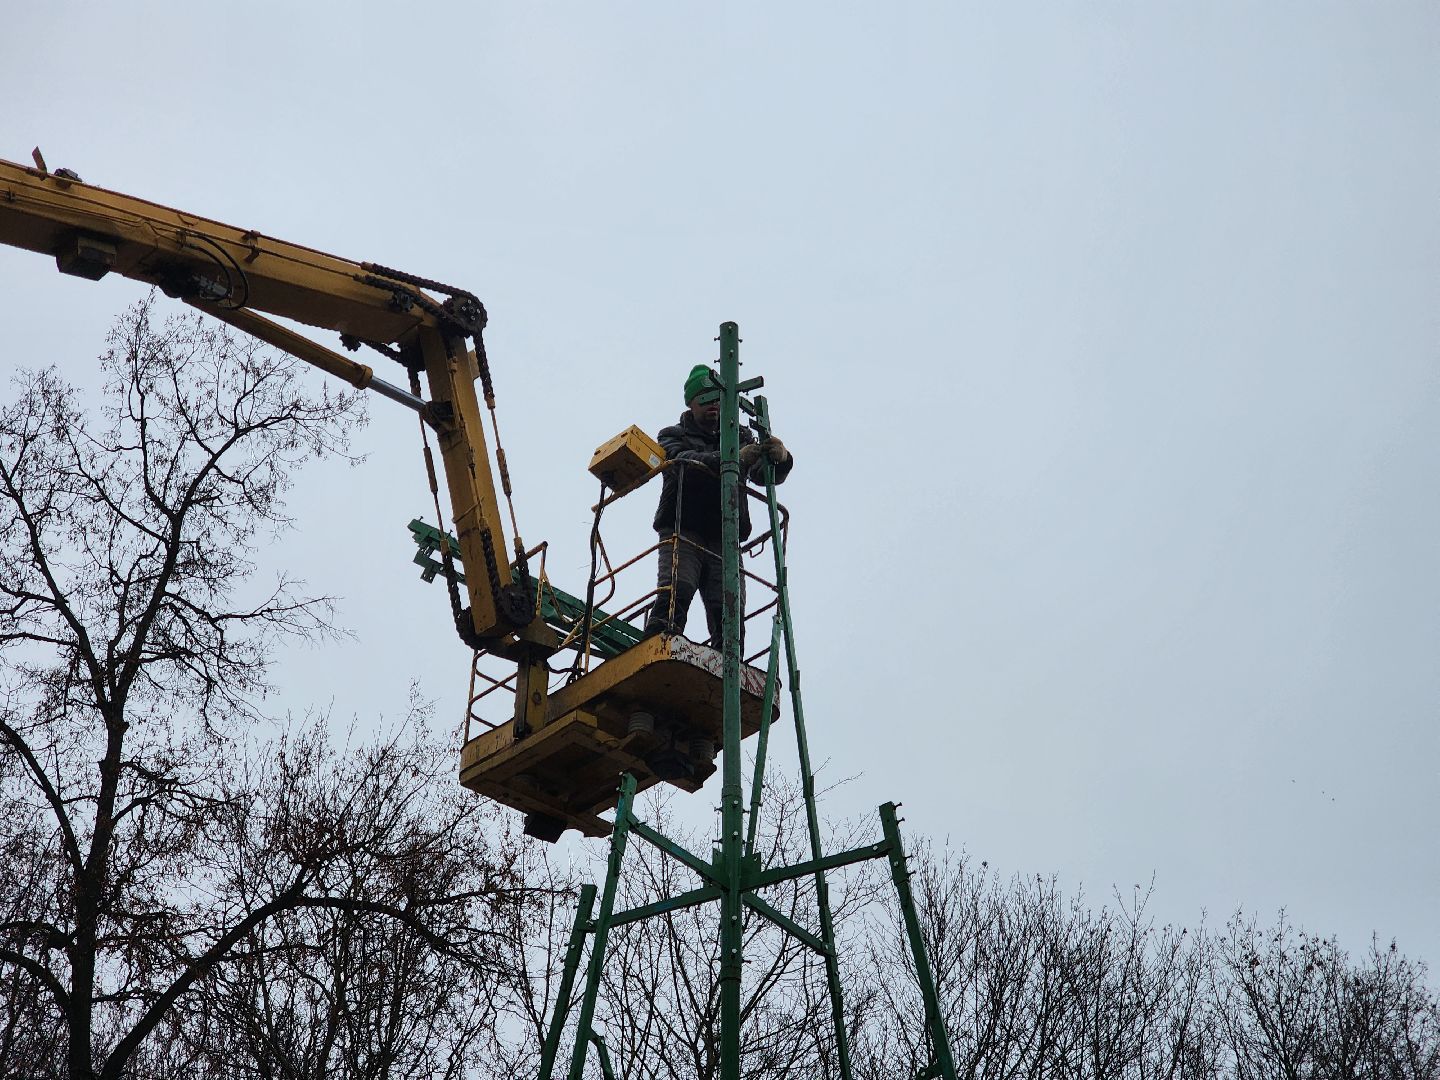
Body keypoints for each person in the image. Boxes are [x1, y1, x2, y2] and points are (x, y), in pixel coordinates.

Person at [645, 363, 793, 645]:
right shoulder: (672, 435)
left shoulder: (738, 437)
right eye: (705, 400)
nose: (712, 405)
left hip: (724, 536)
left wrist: (781, 457)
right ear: (692, 403)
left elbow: (763, 475)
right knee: (677, 590)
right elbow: (681, 464)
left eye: (717, 399)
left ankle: (729, 660)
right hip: (684, 528)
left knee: (729, 610)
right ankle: (660, 642)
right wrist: (732, 460)